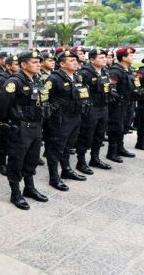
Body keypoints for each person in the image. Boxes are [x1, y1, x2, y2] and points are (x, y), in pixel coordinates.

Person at [0, 51, 49, 210]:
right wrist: (5, 125)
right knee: (17, 160)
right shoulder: (14, 82)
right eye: (34, 62)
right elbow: (1, 108)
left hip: (36, 126)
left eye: (39, 61)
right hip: (20, 128)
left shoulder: (36, 80)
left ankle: (29, 187)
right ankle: (15, 192)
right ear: (24, 64)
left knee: (32, 158)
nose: (39, 64)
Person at [44, 51, 91, 191]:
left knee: (68, 146)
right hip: (60, 119)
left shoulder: (77, 77)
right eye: (71, 60)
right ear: (62, 63)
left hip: (75, 116)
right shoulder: (54, 79)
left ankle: (66, 170)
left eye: (76, 60)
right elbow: (44, 100)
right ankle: (54, 177)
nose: (75, 62)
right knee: (56, 148)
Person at [75, 49, 113, 175]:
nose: (104, 59)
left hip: (103, 107)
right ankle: (81, 161)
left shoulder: (104, 71)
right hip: (91, 108)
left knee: (100, 134)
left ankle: (95, 158)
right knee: (86, 135)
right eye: (101, 57)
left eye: (105, 57)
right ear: (92, 60)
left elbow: (108, 86)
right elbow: (80, 91)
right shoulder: (84, 73)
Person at [0, 55, 19, 175]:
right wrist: (0, 118)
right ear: (8, 66)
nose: (19, 66)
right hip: (2, 116)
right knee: (2, 141)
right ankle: (1, 164)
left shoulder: (19, 79)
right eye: (16, 64)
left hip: (14, 115)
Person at [107, 47, 137, 163]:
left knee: (124, 126)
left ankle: (120, 147)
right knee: (115, 127)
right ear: (123, 57)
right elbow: (112, 87)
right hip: (118, 104)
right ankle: (112, 152)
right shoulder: (115, 70)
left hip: (128, 103)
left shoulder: (128, 70)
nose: (133, 57)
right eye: (130, 55)